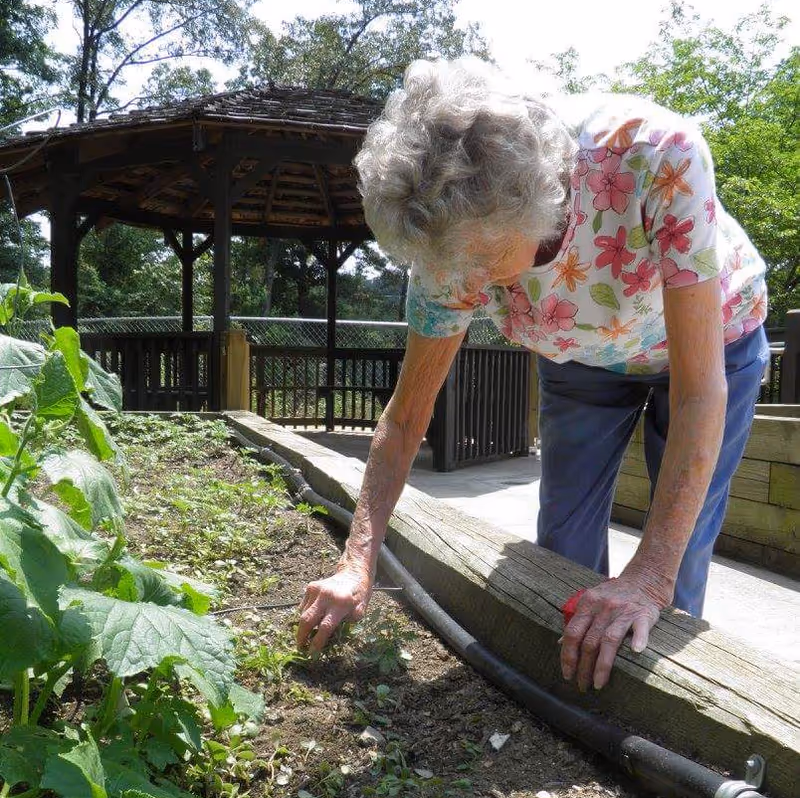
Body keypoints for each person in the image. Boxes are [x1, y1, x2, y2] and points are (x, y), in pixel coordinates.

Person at [296, 56, 769, 692]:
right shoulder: (449, 241)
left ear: (534, 210)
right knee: (562, 541)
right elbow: (406, 418)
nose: (461, 285)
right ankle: (569, 689)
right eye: (445, 267)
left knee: (673, 560)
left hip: (714, 348)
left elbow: (697, 394)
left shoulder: (655, 156)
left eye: (482, 261)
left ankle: (657, 705)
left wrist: (646, 578)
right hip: (579, 352)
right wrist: (358, 559)